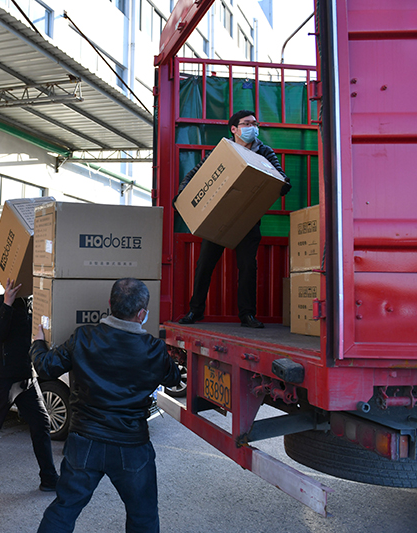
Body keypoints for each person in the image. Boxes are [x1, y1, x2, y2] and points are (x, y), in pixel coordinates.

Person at [30, 278, 181, 533]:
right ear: (142, 314)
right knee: (143, 516)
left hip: (85, 441)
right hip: (131, 443)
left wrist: (37, 342)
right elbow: (174, 379)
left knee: (64, 509)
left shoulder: (84, 337)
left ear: (110, 303)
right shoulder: (153, 349)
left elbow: (46, 366)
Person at [176, 110, 292, 329]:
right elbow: (195, 174)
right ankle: (195, 311)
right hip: (219, 216)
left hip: (248, 219)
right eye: (247, 124)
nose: (252, 128)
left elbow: (279, 174)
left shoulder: (264, 152)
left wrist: (284, 182)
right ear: (234, 129)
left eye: (255, 124)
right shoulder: (223, 151)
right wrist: (183, 193)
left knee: (248, 267)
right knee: (204, 265)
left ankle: (247, 315)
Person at [0, 278, 59, 492]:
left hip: (27, 376)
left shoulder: (32, 305)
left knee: (41, 423)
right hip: (4, 377)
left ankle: (49, 478)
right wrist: (7, 303)